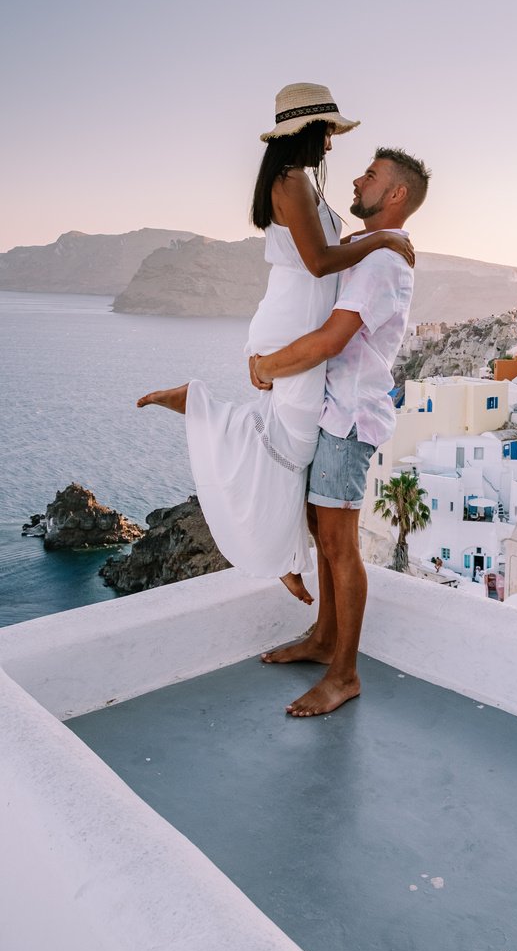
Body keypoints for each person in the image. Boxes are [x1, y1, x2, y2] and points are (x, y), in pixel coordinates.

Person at [136, 83, 413, 606]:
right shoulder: (291, 181)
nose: (331, 145)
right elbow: (318, 263)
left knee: (292, 444)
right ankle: (201, 410)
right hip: (291, 325)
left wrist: (364, 240)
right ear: (308, 132)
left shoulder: (297, 181)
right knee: (292, 443)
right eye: (327, 133)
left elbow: (328, 248)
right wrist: (382, 238)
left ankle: (284, 552)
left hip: (293, 319)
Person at [255, 147, 430, 716]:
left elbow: (332, 339)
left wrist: (268, 365)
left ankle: (345, 674)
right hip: (329, 411)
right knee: (320, 531)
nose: (358, 177)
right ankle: (324, 637)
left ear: (397, 195)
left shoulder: (381, 264)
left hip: (350, 417)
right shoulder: (365, 252)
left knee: (339, 544)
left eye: (372, 175)